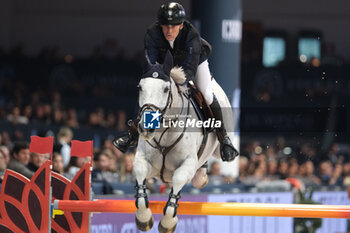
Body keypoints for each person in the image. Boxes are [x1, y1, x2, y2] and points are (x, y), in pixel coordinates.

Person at [113, 2, 238, 162]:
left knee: (206, 94)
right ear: (160, 25)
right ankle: (133, 135)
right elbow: (151, 63)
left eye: (173, 26)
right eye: (165, 26)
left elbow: (190, 69)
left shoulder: (191, 34)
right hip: (164, 67)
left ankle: (224, 139)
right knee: (151, 93)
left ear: (181, 25)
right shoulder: (152, 33)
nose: (169, 31)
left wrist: (178, 82)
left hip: (195, 64)